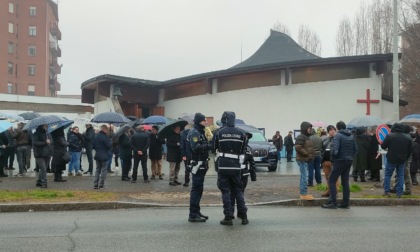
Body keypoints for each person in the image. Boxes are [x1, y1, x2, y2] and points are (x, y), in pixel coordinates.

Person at [213, 111, 248, 225]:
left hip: (223, 166)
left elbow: (214, 148)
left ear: (225, 119)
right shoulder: (242, 133)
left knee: (225, 191)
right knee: (238, 190)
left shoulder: (219, 133)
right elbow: (243, 150)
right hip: (236, 167)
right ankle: (244, 216)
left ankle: (228, 216)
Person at [322, 121, 357, 209]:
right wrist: (349, 156)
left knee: (332, 180)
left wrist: (333, 158)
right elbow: (356, 150)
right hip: (349, 160)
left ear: (337, 128)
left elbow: (335, 150)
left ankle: (333, 202)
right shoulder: (351, 136)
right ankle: (345, 203)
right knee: (345, 182)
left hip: (339, 161)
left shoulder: (338, 136)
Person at [186, 113, 212, 222]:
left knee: (199, 189)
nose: (206, 122)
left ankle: (197, 211)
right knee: (196, 189)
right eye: (204, 120)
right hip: (197, 164)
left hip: (201, 164)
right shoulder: (194, 133)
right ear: (199, 121)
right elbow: (196, 148)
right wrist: (209, 146)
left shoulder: (200, 132)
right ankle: (193, 214)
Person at [381, 123, 413, 198]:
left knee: (388, 175)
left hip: (391, 158)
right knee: (400, 175)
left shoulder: (389, 136)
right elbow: (410, 150)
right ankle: (399, 193)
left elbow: (383, 146)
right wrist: (405, 158)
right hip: (402, 159)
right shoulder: (407, 137)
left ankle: (387, 191)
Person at [230, 133, 257, 219]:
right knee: (235, 193)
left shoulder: (247, 149)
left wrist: (253, 176)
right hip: (234, 173)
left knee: (239, 193)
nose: (245, 139)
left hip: (243, 174)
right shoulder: (234, 147)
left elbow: (252, 163)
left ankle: (239, 212)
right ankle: (232, 213)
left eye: (247, 137)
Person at [295, 122, 314, 200]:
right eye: (309, 128)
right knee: (304, 176)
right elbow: (298, 147)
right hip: (302, 159)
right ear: (305, 128)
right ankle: (303, 194)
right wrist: (306, 154)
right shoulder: (301, 137)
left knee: (304, 176)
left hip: (305, 159)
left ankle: (303, 193)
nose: (310, 129)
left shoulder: (306, 137)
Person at [320, 125, 337, 197]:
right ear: (328, 131)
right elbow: (321, 148)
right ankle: (328, 191)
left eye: (334, 130)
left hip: (334, 161)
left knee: (334, 177)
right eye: (330, 130)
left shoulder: (337, 139)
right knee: (327, 177)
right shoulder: (325, 139)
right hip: (325, 160)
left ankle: (334, 192)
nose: (332, 131)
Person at [93, 125, 111, 189]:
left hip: (97, 155)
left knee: (97, 169)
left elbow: (93, 146)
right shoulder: (105, 137)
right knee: (104, 170)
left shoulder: (96, 136)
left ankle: (95, 184)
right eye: (107, 130)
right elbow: (108, 146)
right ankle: (101, 184)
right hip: (104, 155)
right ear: (105, 129)